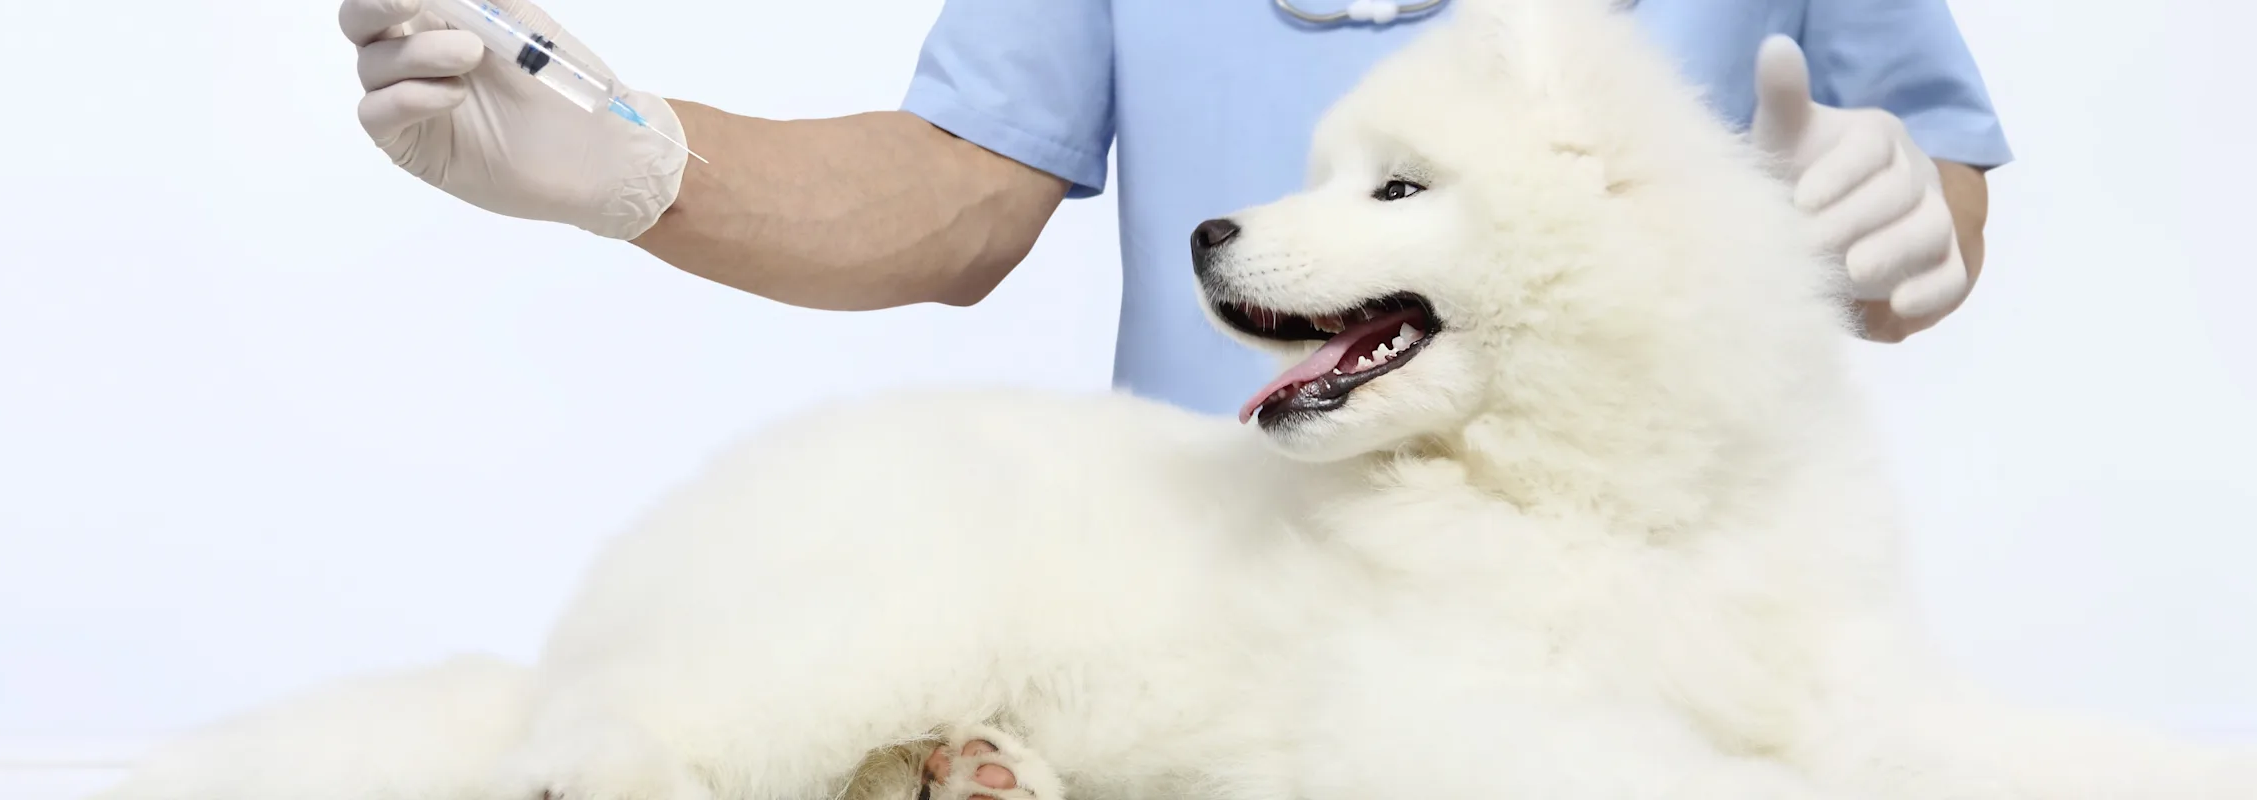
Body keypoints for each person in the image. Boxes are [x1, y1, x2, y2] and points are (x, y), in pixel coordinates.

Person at [339, 0, 2009, 418]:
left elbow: (1920, 205)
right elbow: (954, 200)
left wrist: (1876, 221)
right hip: (1225, 617)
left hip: (1636, 625)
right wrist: (646, 163)